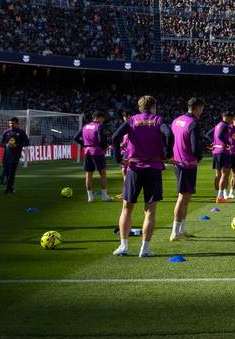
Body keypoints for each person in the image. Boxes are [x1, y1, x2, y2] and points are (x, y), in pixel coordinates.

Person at [110, 95, 172, 258]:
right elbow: (169, 134)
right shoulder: (158, 120)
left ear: (139, 107)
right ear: (154, 106)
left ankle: (123, 246)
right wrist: (167, 153)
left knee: (126, 209)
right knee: (150, 211)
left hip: (134, 168)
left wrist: (117, 158)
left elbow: (115, 137)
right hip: (153, 168)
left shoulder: (132, 120)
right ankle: (144, 249)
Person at [168, 97, 206, 242]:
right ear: (197, 107)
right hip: (187, 163)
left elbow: (170, 139)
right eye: (202, 108)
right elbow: (195, 146)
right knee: (182, 197)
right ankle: (175, 232)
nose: (202, 111)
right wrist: (199, 157)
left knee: (186, 197)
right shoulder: (194, 123)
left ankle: (181, 229)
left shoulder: (176, 120)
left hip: (178, 161)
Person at [76, 111, 113, 202]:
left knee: (88, 174)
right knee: (103, 173)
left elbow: (75, 138)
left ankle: (90, 197)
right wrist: (105, 147)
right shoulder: (99, 127)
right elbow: (101, 140)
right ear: (98, 117)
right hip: (98, 152)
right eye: (102, 118)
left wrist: (85, 144)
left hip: (87, 152)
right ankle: (104, 196)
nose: (103, 121)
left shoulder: (85, 126)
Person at [0, 117, 30, 194]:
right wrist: (6, 145)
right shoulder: (6, 132)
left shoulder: (21, 132)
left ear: (17, 123)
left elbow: (27, 143)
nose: (11, 125)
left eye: (13, 123)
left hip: (15, 155)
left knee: (11, 173)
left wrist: (17, 145)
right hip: (6, 155)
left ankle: (8, 189)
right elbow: (1, 143)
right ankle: (11, 187)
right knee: (6, 172)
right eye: (10, 123)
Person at [211, 111, 235, 203]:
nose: (232, 120)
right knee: (225, 174)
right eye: (232, 118)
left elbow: (209, 134)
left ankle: (217, 194)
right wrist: (228, 143)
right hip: (223, 152)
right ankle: (220, 197)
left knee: (218, 175)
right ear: (227, 117)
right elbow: (220, 135)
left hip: (216, 151)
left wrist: (214, 142)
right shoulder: (225, 125)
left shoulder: (217, 125)